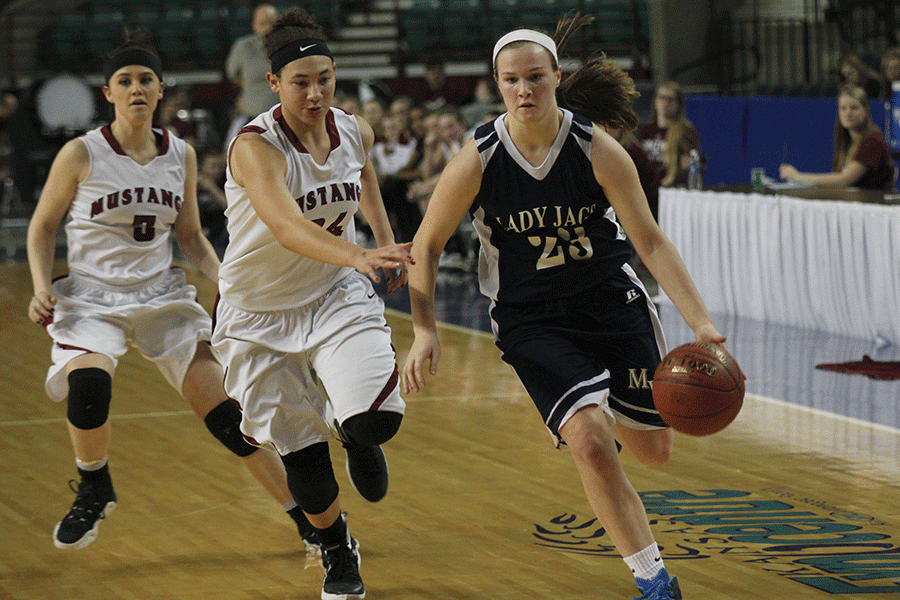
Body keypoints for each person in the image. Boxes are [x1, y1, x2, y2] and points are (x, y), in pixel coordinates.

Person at [401, 16, 726, 600]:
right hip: (533, 320)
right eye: (510, 81)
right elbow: (424, 246)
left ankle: (598, 409)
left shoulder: (597, 150)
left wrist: (700, 322)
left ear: (555, 79)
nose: (524, 90)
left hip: (610, 304)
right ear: (497, 86)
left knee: (654, 451)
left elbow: (649, 241)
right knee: (593, 444)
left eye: (535, 78)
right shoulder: (477, 159)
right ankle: (655, 582)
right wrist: (424, 329)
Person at [25, 30, 321, 553]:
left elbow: (189, 235)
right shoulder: (80, 153)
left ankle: (309, 520)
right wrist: (39, 285)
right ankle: (94, 483)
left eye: (145, 79)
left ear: (161, 90)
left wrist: (227, 279)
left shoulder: (179, 153)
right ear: (109, 93)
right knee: (89, 388)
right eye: (125, 81)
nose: (136, 87)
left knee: (232, 421)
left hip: (161, 296)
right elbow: (43, 226)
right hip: (92, 298)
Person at [209, 9, 412, 599]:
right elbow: (288, 227)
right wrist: (359, 256)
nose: (316, 92)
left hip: (331, 293)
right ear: (273, 83)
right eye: (301, 81)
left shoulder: (353, 128)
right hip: (257, 314)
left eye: (324, 78)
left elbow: (366, 174)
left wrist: (378, 238)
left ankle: (357, 435)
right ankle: (336, 547)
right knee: (303, 460)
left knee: (377, 417)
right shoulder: (255, 147)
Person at [780, 85, 895, 190]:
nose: (848, 113)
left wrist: (797, 176)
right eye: (843, 108)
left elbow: (844, 179)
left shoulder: (873, 142)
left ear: (866, 111)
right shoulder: (847, 142)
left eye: (854, 108)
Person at [224, 4, 279, 144]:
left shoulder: (288, 47)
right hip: (252, 118)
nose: (267, 28)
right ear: (254, 26)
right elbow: (232, 74)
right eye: (263, 23)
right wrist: (247, 88)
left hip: (282, 120)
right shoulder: (243, 47)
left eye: (271, 23)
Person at [637, 81, 700, 188]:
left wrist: (668, 182)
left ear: (678, 104)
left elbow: (687, 165)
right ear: (655, 101)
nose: (665, 103)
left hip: (671, 188)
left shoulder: (685, 130)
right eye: (662, 98)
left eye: (670, 99)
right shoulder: (646, 131)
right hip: (647, 186)